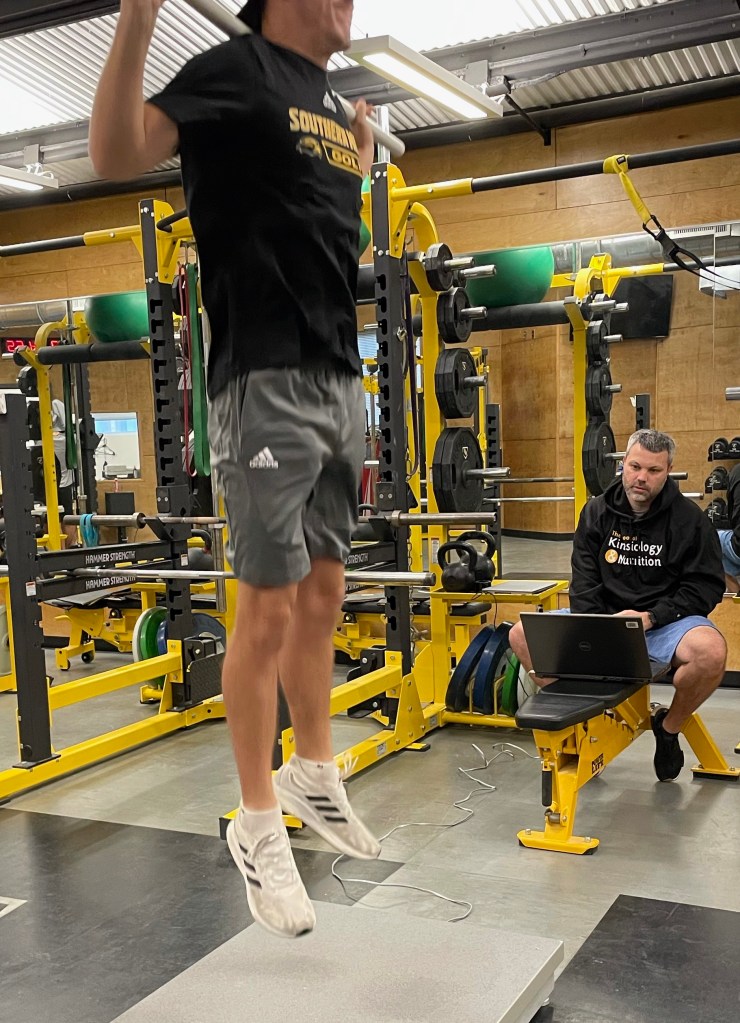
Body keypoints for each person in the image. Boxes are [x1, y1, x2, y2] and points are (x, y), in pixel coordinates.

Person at [90, 0, 380, 939]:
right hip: (264, 378)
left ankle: (312, 770)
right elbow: (114, 153)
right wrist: (137, 18)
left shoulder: (328, 104)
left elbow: (329, 238)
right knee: (267, 605)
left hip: (340, 376)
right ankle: (256, 821)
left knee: (326, 590)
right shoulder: (237, 69)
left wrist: (358, 158)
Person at [509, 428, 727, 783]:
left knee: (711, 653)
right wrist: (601, 629)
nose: (642, 478)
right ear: (623, 463)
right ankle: (588, 724)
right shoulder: (596, 512)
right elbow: (584, 581)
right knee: (521, 635)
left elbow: (705, 587)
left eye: (654, 470)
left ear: (668, 471)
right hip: (602, 620)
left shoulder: (690, 520)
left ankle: (669, 728)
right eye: (635, 467)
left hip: (661, 625)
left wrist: (652, 617)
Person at [52, 399, 78, 548]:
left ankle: (57, 549)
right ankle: (69, 547)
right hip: (65, 486)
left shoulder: (49, 439)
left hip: (51, 487)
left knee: (51, 518)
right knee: (67, 516)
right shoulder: (68, 440)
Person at [716, 463, 740, 592]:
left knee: (709, 540)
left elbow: (732, 517)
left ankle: (736, 592)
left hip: (738, 549)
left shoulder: (736, 471)